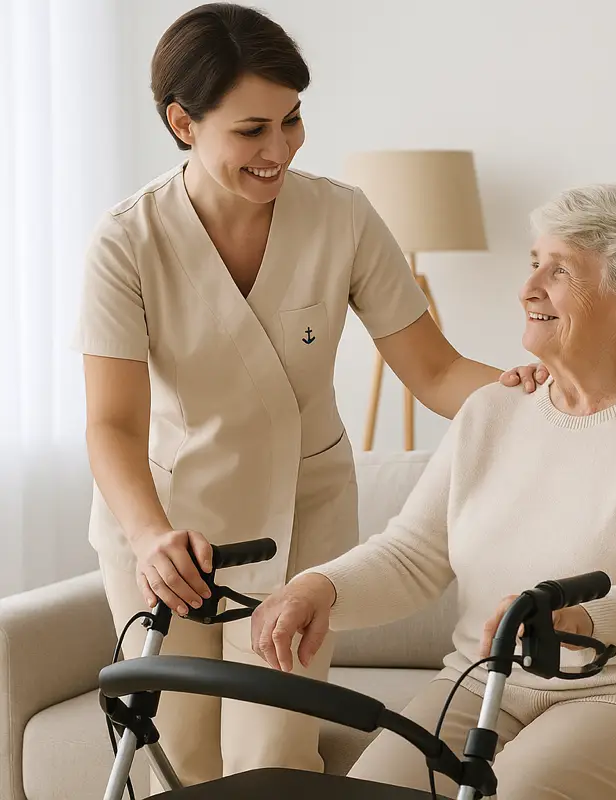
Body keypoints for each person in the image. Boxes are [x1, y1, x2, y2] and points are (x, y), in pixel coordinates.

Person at [72, 1, 542, 789]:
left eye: (291, 120)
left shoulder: (342, 216)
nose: (280, 148)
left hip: (301, 519)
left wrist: (528, 395)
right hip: (166, 526)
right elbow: (112, 424)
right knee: (176, 761)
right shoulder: (127, 241)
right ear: (183, 123)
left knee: (278, 756)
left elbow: (434, 371)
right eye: (251, 130)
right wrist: (150, 537)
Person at [252, 183, 616, 800]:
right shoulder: (494, 408)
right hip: (486, 680)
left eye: (560, 270)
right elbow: (413, 555)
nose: (528, 288)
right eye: (535, 262)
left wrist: (582, 620)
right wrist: (320, 587)